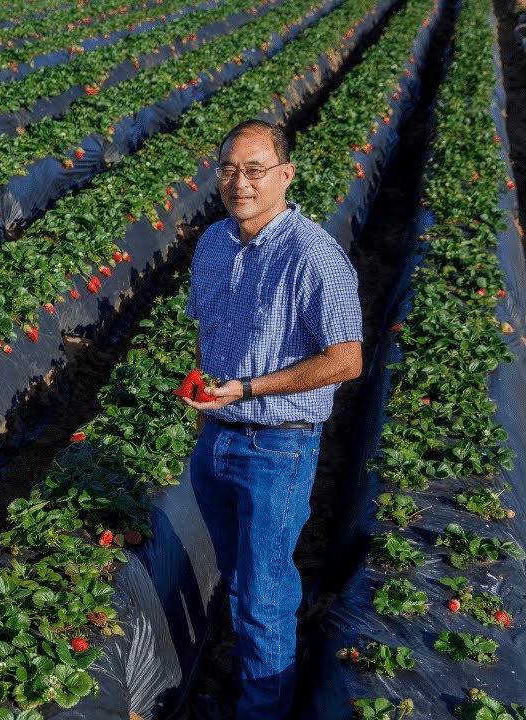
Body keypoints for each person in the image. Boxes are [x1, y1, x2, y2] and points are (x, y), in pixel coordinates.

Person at [178, 119, 362, 718]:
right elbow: (210, 330)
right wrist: (209, 394)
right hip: (217, 438)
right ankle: (255, 683)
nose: (241, 182)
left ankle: (263, 710)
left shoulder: (313, 255)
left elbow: (346, 360)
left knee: (263, 594)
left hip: (278, 446)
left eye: (255, 170)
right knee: (239, 581)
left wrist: (250, 388)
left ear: (284, 176)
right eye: (230, 169)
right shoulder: (212, 245)